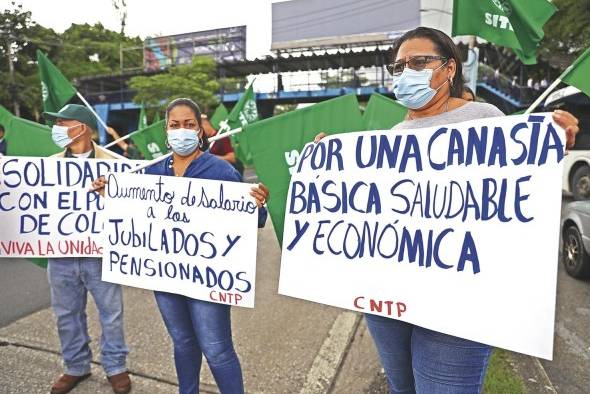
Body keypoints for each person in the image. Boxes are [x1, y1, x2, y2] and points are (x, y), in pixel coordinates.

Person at [317, 27, 579, 393]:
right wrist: (332, 165)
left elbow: (513, 193)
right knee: (401, 387)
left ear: (450, 69)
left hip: (461, 305)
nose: (408, 72)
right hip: (388, 298)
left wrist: (551, 145)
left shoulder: (485, 118)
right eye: (399, 66)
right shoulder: (392, 135)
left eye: (419, 61)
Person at [92, 98, 270, 394]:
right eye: (175, 125)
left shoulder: (220, 171)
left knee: (216, 349)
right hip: (166, 276)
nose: (182, 131)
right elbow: (137, 211)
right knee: (183, 342)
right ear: (166, 129)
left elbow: (253, 220)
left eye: (189, 125)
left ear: (200, 130)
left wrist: (257, 204)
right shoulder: (154, 171)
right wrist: (111, 195)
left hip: (207, 276)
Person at [43, 104, 131, 394]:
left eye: (62, 122)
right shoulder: (49, 164)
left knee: (111, 313)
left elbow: (132, 208)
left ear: (82, 127)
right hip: (62, 254)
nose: (57, 128)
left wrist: (112, 193)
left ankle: (116, 367)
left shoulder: (115, 163)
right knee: (67, 313)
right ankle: (75, 367)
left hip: (101, 254)